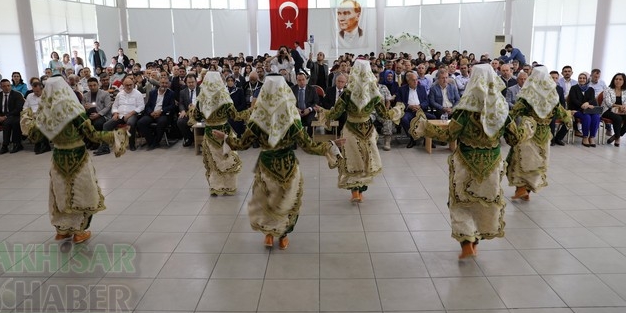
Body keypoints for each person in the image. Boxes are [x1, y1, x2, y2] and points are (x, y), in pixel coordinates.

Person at [211, 75, 345, 250]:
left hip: (266, 165)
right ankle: (282, 235)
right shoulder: (292, 120)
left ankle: (269, 234)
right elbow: (309, 146)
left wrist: (227, 138)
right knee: (287, 201)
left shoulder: (257, 120)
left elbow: (242, 144)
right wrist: (331, 145)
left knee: (267, 201)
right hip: (288, 166)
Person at [409, 64, 523, 259]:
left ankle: (467, 242)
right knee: (485, 201)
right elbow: (514, 139)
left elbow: (449, 134)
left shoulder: (465, 110)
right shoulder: (501, 109)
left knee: (462, 201)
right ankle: (477, 238)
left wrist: (425, 127)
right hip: (492, 164)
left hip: (465, 163)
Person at [20, 76, 128, 244]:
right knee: (82, 194)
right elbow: (92, 135)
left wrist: (26, 117)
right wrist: (116, 136)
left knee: (61, 193)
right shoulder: (74, 111)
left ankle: (62, 231)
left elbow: (34, 136)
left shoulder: (45, 112)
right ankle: (79, 232)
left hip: (58, 158)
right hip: (78, 157)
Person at [322, 60, 404, 203]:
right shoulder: (374, 93)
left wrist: (323, 113)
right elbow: (384, 115)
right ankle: (361, 191)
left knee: (353, 160)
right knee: (367, 161)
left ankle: (355, 192)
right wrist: (396, 111)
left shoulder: (347, 93)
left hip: (351, 130)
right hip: (368, 131)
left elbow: (335, 114)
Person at [506, 66, 571, 201]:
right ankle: (526, 191)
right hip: (545, 134)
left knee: (521, 161)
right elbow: (564, 114)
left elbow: (514, 112)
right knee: (538, 163)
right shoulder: (553, 97)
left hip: (528, 133)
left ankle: (522, 189)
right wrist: (569, 120)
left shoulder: (527, 96)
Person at [191, 72, 248, 196]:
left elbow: (195, 116)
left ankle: (216, 187)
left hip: (209, 132)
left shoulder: (201, 100)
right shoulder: (225, 99)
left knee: (213, 162)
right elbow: (235, 116)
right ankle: (229, 187)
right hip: (224, 132)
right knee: (227, 158)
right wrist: (249, 112)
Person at [136, 75, 176, 150]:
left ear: (168, 84)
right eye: (162, 83)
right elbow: (148, 106)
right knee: (141, 122)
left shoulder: (171, 93)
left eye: (166, 83)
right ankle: (151, 141)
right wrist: (151, 112)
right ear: (159, 83)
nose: (164, 85)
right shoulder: (152, 93)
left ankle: (155, 142)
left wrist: (161, 111)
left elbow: (172, 106)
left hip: (163, 114)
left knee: (162, 122)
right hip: (152, 113)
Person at [601, 73, 626, 146]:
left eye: (620, 79)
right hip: (607, 110)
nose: (618, 81)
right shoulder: (608, 89)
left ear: (624, 81)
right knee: (618, 118)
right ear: (613, 80)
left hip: (621, 111)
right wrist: (620, 106)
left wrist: (625, 107)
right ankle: (617, 138)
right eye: (616, 79)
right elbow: (608, 103)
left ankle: (616, 135)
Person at [569, 72, 602, 147]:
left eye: (584, 78)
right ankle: (585, 137)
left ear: (587, 79)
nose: (582, 79)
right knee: (586, 117)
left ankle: (592, 137)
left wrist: (587, 103)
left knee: (596, 117)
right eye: (580, 78)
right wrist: (582, 105)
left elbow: (592, 100)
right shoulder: (574, 88)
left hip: (589, 110)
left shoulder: (591, 89)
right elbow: (574, 100)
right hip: (577, 110)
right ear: (578, 79)